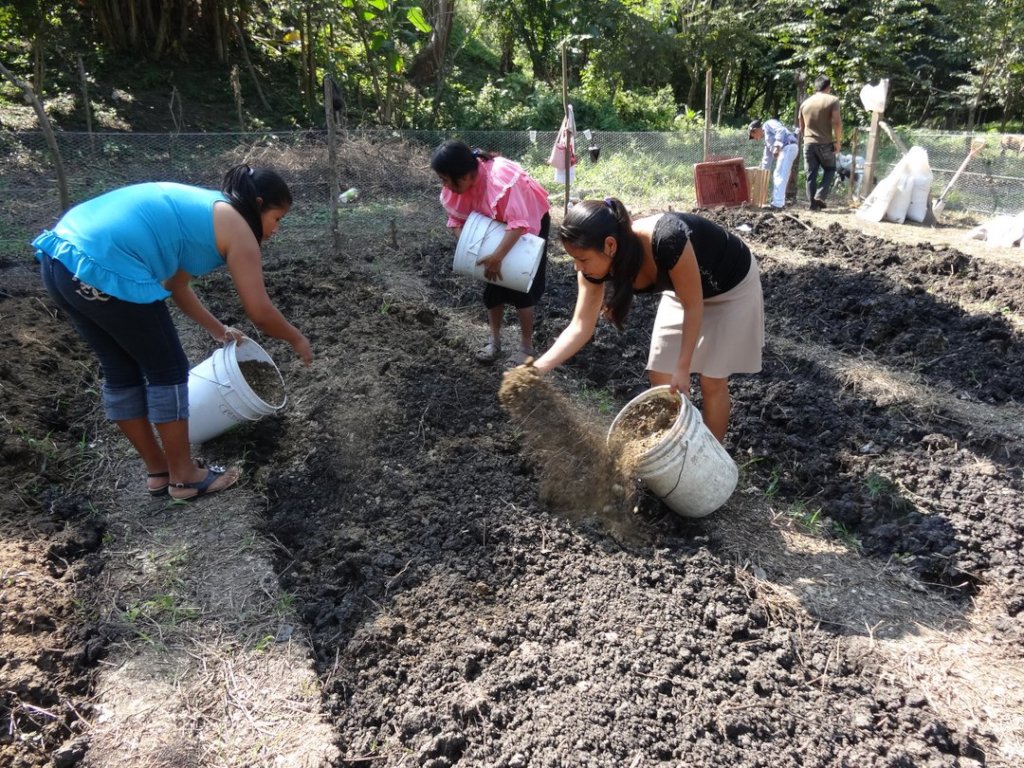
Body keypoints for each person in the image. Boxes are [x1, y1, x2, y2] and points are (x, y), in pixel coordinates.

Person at [32, 166, 313, 501]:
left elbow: (175, 285)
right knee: (168, 369)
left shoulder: (207, 211)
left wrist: (218, 329)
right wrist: (296, 338)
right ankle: (185, 477)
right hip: (103, 263)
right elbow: (260, 313)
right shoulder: (240, 230)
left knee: (121, 370)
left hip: (61, 261)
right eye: (277, 218)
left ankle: (160, 471)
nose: (276, 230)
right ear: (259, 203)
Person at [529, 199, 763, 444]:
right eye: (573, 259)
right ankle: (678, 449)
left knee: (711, 380)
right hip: (682, 291)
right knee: (660, 374)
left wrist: (683, 368)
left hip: (730, 287)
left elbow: (694, 306)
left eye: (583, 259)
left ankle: (711, 455)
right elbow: (580, 326)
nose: (578, 266)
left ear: (610, 245)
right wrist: (537, 369)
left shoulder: (667, 239)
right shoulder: (591, 269)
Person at [431, 139, 551, 366]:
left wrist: (497, 256)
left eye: (446, 179)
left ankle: (526, 347)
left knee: (520, 284)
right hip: (497, 227)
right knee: (493, 286)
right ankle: (494, 342)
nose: (444, 185)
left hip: (528, 224)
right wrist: (474, 248)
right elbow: (455, 220)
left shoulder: (500, 179)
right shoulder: (458, 188)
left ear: (464, 176)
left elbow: (519, 224)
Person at [798, 75, 843, 210]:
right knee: (830, 169)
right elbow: (837, 122)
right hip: (825, 143)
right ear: (828, 87)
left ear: (816, 87)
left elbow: (801, 126)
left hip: (808, 142)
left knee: (810, 174)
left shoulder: (805, 103)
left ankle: (813, 205)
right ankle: (820, 195)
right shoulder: (832, 100)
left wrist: (806, 139)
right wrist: (837, 141)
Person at [747, 118, 799, 209]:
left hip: (788, 147)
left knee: (779, 175)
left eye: (752, 136)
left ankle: (777, 205)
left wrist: (777, 146)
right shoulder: (767, 140)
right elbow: (766, 160)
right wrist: (759, 172)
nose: (754, 139)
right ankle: (779, 203)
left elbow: (781, 130)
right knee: (779, 175)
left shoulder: (768, 124)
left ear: (755, 130)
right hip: (787, 149)